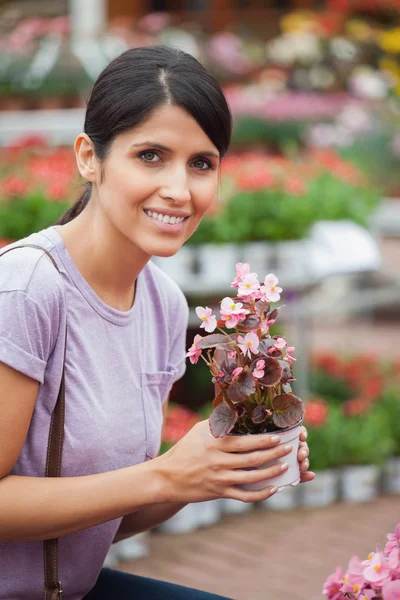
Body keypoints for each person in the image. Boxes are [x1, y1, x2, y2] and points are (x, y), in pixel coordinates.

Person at [0, 46, 314, 600]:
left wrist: (214, 471)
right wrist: (166, 475)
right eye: (150, 155)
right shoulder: (27, 288)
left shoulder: (164, 304)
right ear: (88, 158)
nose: (179, 189)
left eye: (202, 162)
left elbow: (105, 518)